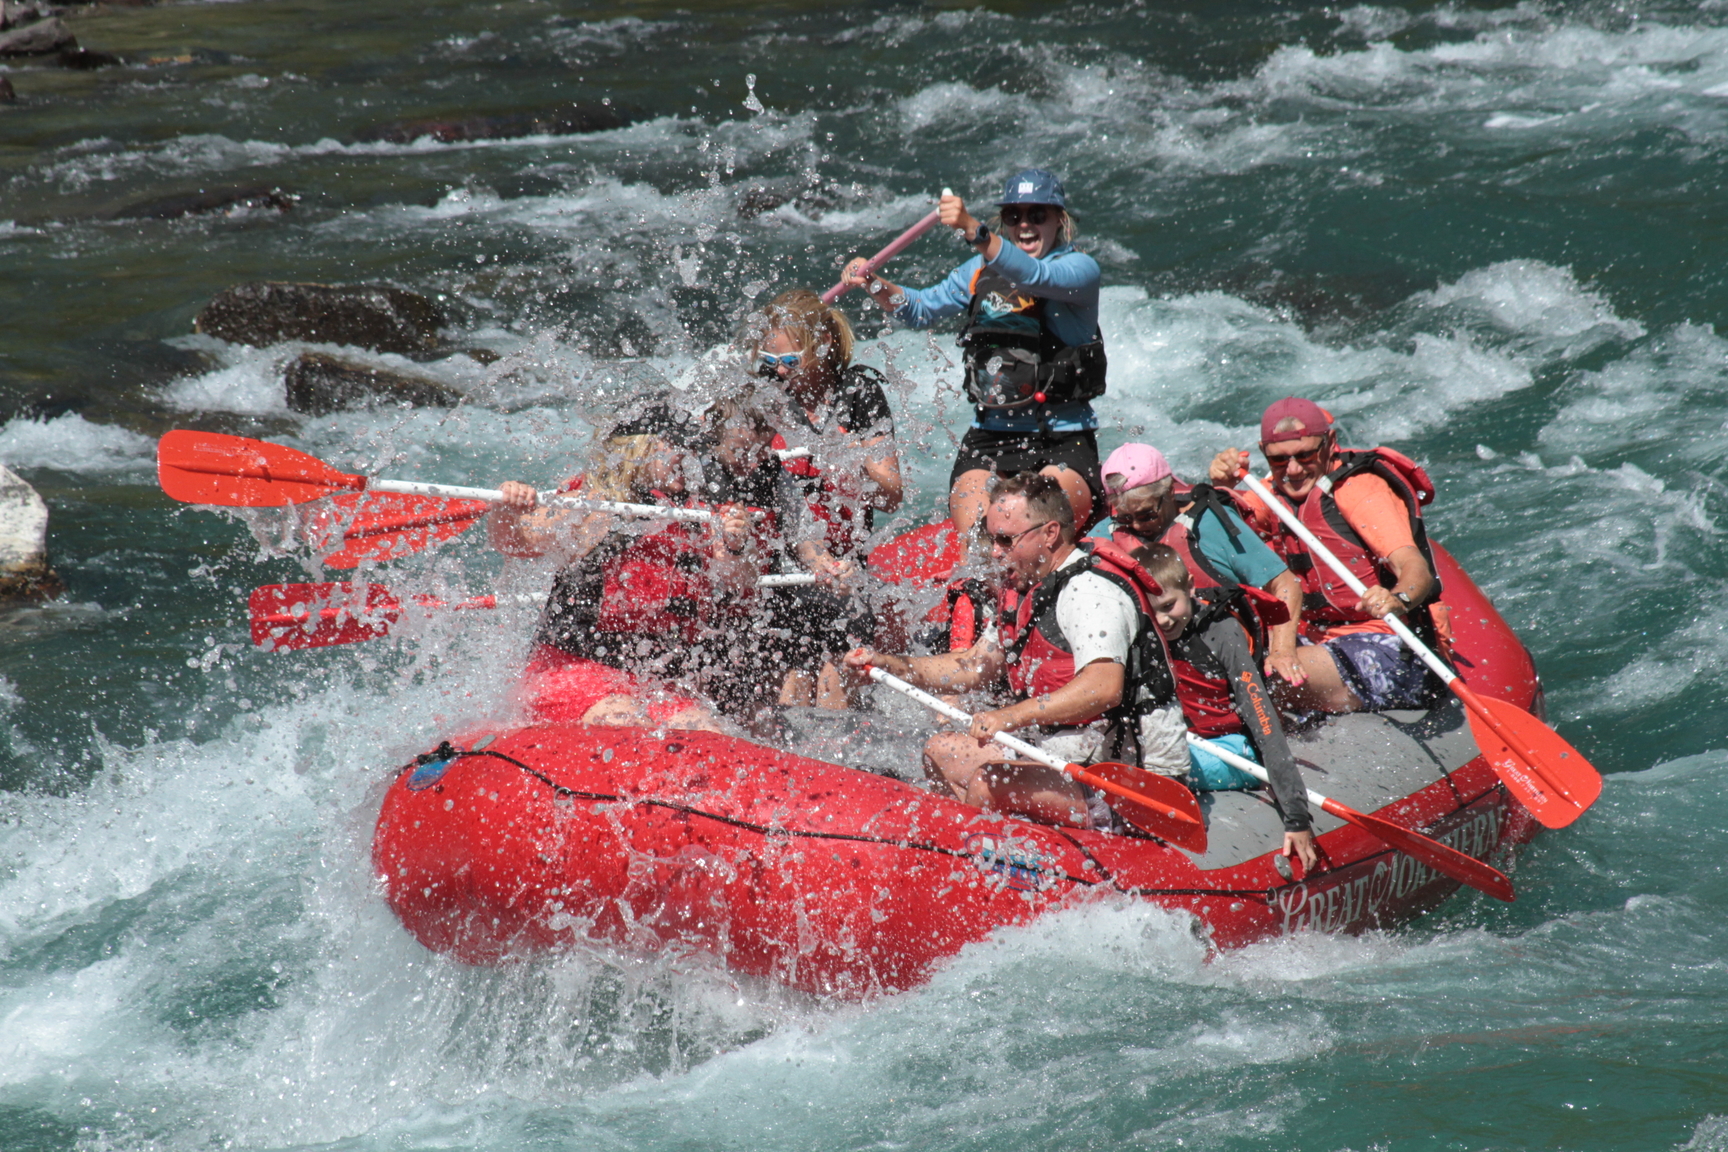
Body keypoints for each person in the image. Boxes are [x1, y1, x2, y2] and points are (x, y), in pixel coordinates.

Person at [843, 472, 1186, 829]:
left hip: (1135, 785)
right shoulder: (1028, 587)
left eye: (1006, 540)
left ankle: (986, 860)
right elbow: (974, 666)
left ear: (1050, 533)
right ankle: (1009, 848)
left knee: (989, 783)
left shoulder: (1090, 593)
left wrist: (1010, 717)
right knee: (941, 750)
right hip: (1070, 757)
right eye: (993, 539)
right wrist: (889, 664)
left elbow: (1104, 688)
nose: (994, 552)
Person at [842, 169, 1105, 535]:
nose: (1025, 225)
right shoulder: (978, 270)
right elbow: (919, 309)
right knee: (979, 543)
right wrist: (873, 283)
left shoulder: (1080, 270)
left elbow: (1034, 277)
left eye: (1037, 215)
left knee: (1031, 533)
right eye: (1014, 216)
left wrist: (975, 231)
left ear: (1059, 220)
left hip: (1060, 439)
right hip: (991, 437)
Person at [487, 400, 780, 730]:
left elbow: (740, 580)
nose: (688, 457)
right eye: (676, 446)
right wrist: (506, 508)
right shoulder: (590, 507)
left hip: (650, 682)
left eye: (692, 448)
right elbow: (513, 543)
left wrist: (734, 546)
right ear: (639, 449)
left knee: (703, 729)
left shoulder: (693, 514)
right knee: (624, 719)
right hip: (571, 671)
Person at [1207, 397, 1445, 714]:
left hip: (1388, 643)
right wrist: (1222, 486)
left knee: (1264, 681)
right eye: (1279, 460)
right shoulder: (1271, 493)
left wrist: (1397, 598)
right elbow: (1223, 529)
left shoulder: (1360, 490)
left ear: (1329, 443)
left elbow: (1415, 568)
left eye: (1305, 455)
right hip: (1315, 639)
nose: (1292, 469)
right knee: (1220, 668)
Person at [747, 289, 903, 706]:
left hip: (844, 569)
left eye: (791, 362)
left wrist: (856, 456)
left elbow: (891, 497)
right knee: (789, 683)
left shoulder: (859, 394)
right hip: (781, 567)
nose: (779, 373)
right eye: (770, 362)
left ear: (823, 347)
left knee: (836, 679)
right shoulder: (762, 396)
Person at [1135, 543, 1319, 871]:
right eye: (1152, 611)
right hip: (1183, 742)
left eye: (1169, 605)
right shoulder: (1142, 632)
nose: (1162, 621)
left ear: (1190, 586)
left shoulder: (1221, 632)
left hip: (1238, 751)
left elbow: (1263, 721)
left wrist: (1296, 817)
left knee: (1154, 759)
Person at [1091, 442, 1306, 686]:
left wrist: (1282, 651)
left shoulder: (1213, 524)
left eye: (1147, 514)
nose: (1137, 526)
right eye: (1125, 517)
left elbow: (1285, 583)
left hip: (1230, 661)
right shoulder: (1105, 534)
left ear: (1170, 491)